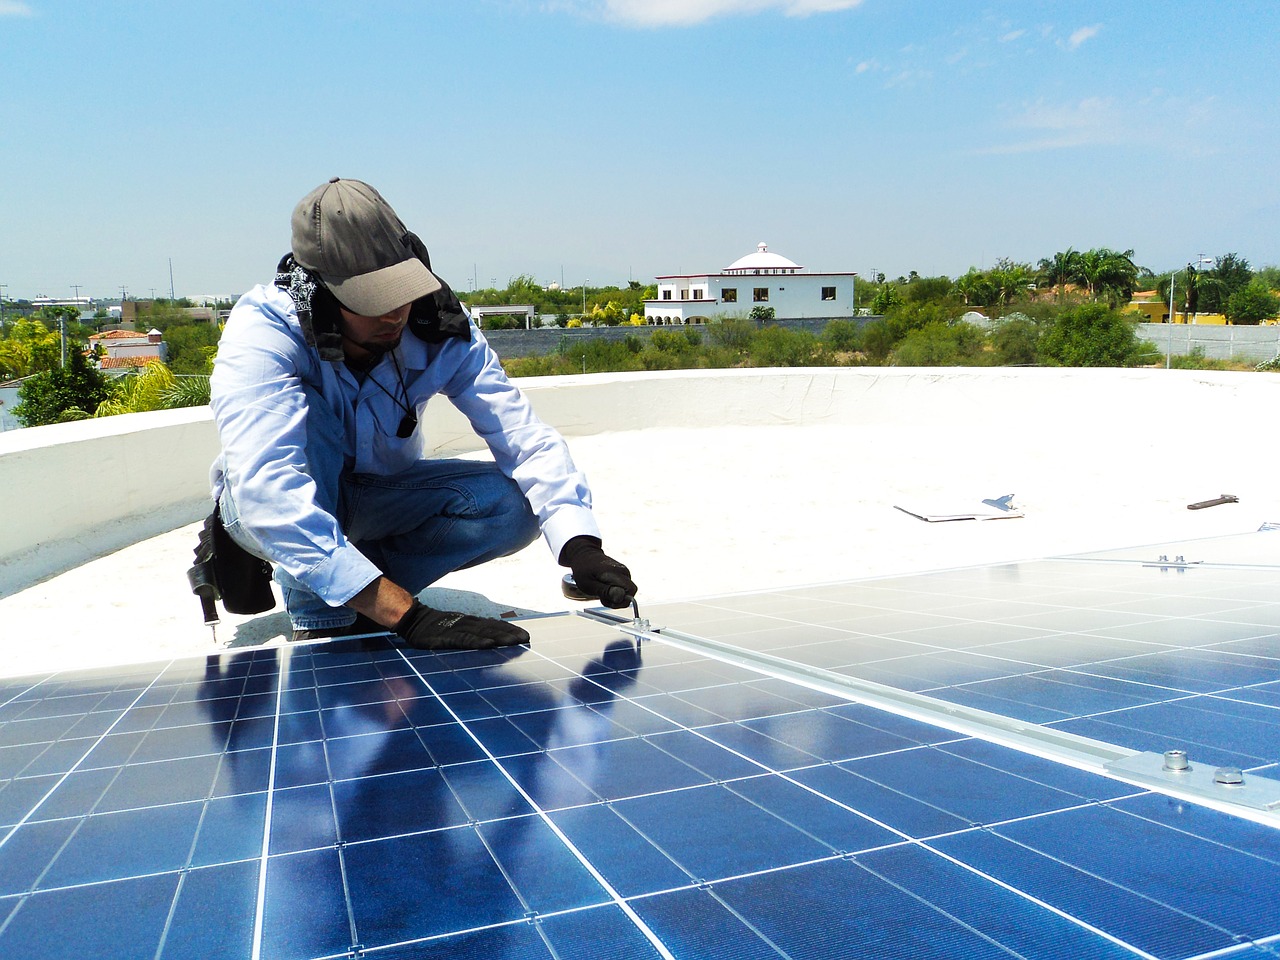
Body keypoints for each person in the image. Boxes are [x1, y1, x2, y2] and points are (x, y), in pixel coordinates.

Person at [208, 177, 636, 650]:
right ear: (323, 293)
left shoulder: (441, 325)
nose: (395, 312)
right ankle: (322, 609)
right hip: (266, 504)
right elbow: (270, 489)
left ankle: (352, 587)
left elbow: (521, 434)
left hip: (380, 492)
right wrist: (408, 618)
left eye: (402, 290)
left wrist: (580, 545)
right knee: (309, 422)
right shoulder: (264, 330)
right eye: (372, 300)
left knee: (514, 508)